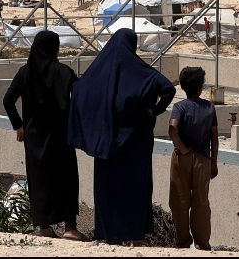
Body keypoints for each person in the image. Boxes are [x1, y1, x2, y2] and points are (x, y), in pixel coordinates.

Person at [68, 29, 176, 245]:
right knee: (136, 187)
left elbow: (78, 89)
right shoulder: (141, 71)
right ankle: (136, 235)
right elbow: (168, 89)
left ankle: (107, 234)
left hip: (105, 142)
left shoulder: (98, 71)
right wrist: (153, 111)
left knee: (107, 189)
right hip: (136, 142)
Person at [2, 31, 86, 241]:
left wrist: (19, 126)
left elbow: (8, 100)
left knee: (39, 180)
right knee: (66, 178)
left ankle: (44, 227)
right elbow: (81, 97)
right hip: (61, 135)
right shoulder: (64, 72)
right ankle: (70, 227)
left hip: (34, 138)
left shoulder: (25, 72)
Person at [168, 67, 218, 250]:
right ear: (200, 86)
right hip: (203, 159)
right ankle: (202, 243)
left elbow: (173, 129)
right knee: (201, 202)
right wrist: (214, 162)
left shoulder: (179, 107)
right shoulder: (209, 108)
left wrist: (182, 148)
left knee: (179, 201)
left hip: (182, 158)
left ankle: (183, 242)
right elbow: (214, 136)